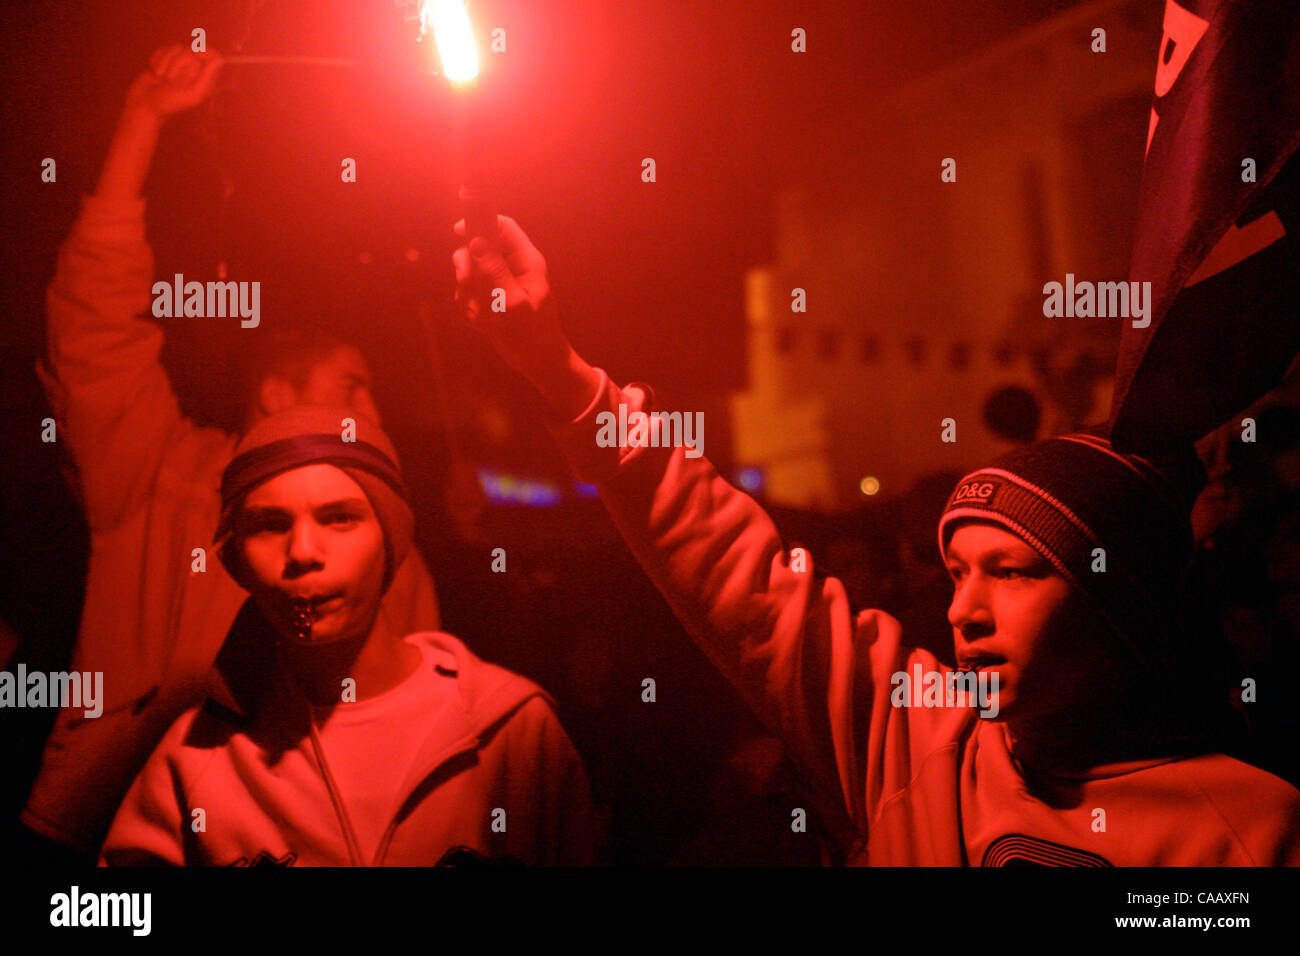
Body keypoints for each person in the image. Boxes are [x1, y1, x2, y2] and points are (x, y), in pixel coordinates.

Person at [451, 214, 1300, 865]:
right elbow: (737, 571)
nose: (963, 609)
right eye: (956, 570)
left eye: (1010, 571)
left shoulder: (1251, 829)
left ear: (1114, 598)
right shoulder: (914, 744)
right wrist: (556, 373)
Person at [24, 45, 440, 858]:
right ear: (278, 400)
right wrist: (142, 120)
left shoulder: (398, 551)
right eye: (352, 385)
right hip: (97, 836)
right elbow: (94, 330)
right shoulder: (161, 475)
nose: (373, 410)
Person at [100, 406, 592, 866]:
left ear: (391, 539)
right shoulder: (196, 758)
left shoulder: (511, 730)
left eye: (340, 518)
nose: (303, 551)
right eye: (269, 525)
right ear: (236, 562)